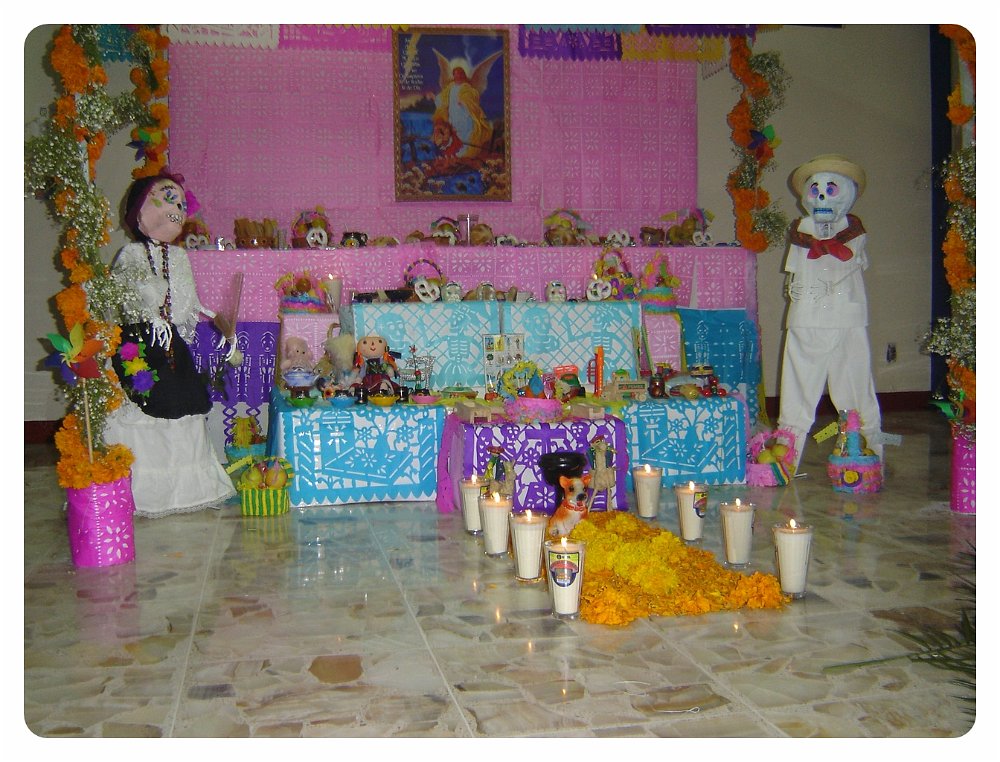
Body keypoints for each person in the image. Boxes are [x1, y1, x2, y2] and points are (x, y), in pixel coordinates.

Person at [104, 171, 235, 517]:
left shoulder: (178, 257)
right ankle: (146, 493)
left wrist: (203, 318)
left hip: (170, 344)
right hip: (138, 342)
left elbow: (187, 303)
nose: (176, 209)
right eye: (167, 199)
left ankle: (187, 490)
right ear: (139, 210)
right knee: (144, 403)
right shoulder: (130, 254)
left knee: (184, 404)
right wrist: (150, 309)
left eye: (180, 203)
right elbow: (124, 300)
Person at [777, 154, 884, 469]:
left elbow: (848, 259)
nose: (822, 196)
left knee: (854, 383)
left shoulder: (854, 231)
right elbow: (795, 272)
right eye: (816, 189)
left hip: (846, 319)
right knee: (797, 386)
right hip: (806, 318)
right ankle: (784, 458)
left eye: (831, 188)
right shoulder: (802, 230)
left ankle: (867, 457)